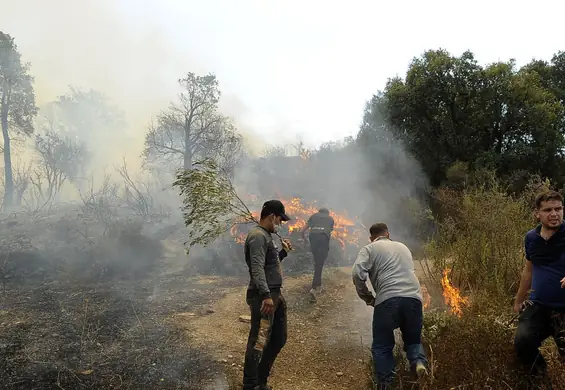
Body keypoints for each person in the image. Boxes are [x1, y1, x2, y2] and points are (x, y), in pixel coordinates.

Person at [351, 223, 428, 389]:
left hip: (387, 299)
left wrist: (368, 298)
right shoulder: (403, 247)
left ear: (372, 237)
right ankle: (418, 362)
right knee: (413, 340)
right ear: (387, 233)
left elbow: (357, 273)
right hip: (413, 299)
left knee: (382, 346)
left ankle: (386, 383)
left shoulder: (369, 248)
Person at [513, 190, 565, 385]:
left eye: (558, 209)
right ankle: (542, 381)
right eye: (548, 210)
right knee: (522, 342)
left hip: (564, 309)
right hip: (539, 306)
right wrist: (518, 300)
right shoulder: (531, 238)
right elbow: (528, 271)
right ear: (537, 213)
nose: (554, 214)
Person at [242, 200, 293, 390]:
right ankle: (251, 384)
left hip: (275, 294)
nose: (279, 224)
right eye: (279, 220)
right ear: (272, 216)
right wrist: (265, 295)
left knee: (279, 338)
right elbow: (256, 268)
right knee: (259, 340)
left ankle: (261, 380)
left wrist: (283, 253)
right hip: (264, 296)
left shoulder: (265, 236)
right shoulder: (257, 236)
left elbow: (269, 264)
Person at [301, 207, 334, 302]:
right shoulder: (330, 218)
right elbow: (329, 231)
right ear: (327, 213)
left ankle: (318, 285)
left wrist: (304, 239)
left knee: (317, 262)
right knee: (320, 263)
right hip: (323, 239)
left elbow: (303, 230)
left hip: (313, 238)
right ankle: (315, 288)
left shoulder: (314, 216)